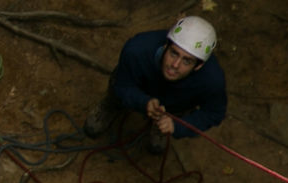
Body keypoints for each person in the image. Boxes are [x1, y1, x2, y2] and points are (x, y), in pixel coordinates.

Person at [85, 17, 225, 154]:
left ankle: (162, 125)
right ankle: (112, 106)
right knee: (117, 86)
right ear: (166, 45)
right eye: (173, 53)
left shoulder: (212, 80)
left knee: (176, 112)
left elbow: (213, 113)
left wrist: (177, 126)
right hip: (141, 85)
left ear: (199, 65)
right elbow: (123, 84)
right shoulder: (137, 50)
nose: (175, 65)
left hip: (179, 102)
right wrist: (143, 102)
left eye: (187, 61)